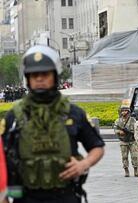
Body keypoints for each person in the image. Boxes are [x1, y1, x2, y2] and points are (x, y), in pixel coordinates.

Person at [1, 45, 105, 203]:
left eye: (45, 74)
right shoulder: (13, 117)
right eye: (34, 75)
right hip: (25, 197)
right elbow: (3, 161)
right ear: (28, 78)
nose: (39, 79)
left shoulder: (73, 113)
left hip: (65, 196)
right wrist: (4, 198)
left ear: (55, 76)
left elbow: (97, 146)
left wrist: (84, 164)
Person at [113, 100, 138, 177]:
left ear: (128, 111)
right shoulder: (118, 121)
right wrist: (119, 132)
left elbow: (136, 129)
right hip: (123, 141)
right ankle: (126, 170)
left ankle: (136, 170)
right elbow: (115, 129)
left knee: (134, 156)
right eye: (122, 111)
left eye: (125, 111)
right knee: (124, 156)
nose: (123, 112)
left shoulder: (133, 120)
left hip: (132, 141)